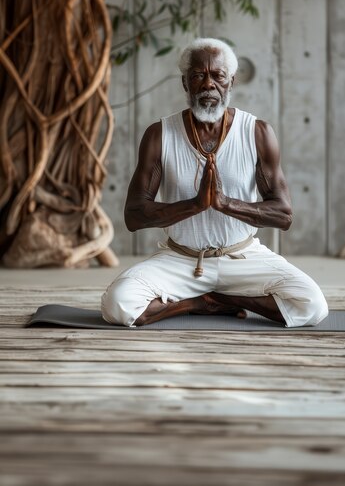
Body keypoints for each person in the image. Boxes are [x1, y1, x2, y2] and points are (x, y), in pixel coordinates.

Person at [101, 38, 328, 327]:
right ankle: (198, 303)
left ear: (230, 82)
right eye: (198, 76)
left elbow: (283, 215)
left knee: (312, 305)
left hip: (242, 257)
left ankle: (223, 298)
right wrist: (194, 205)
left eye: (218, 76)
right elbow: (133, 215)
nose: (208, 84)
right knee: (117, 304)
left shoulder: (257, 132)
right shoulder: (160, 135)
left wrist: (224, 204)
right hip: (181, 260)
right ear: (185, 83)